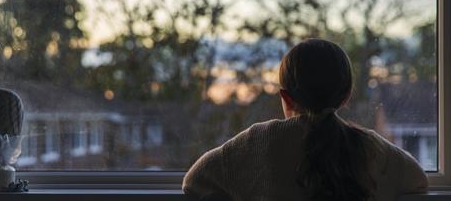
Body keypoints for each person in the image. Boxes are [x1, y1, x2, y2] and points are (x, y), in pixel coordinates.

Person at [183, 38, 428, 201]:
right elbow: (418, 182)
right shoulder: (371, 147)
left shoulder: (260, 141)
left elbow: (195, 181)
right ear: (345, 97)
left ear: (285, 97)